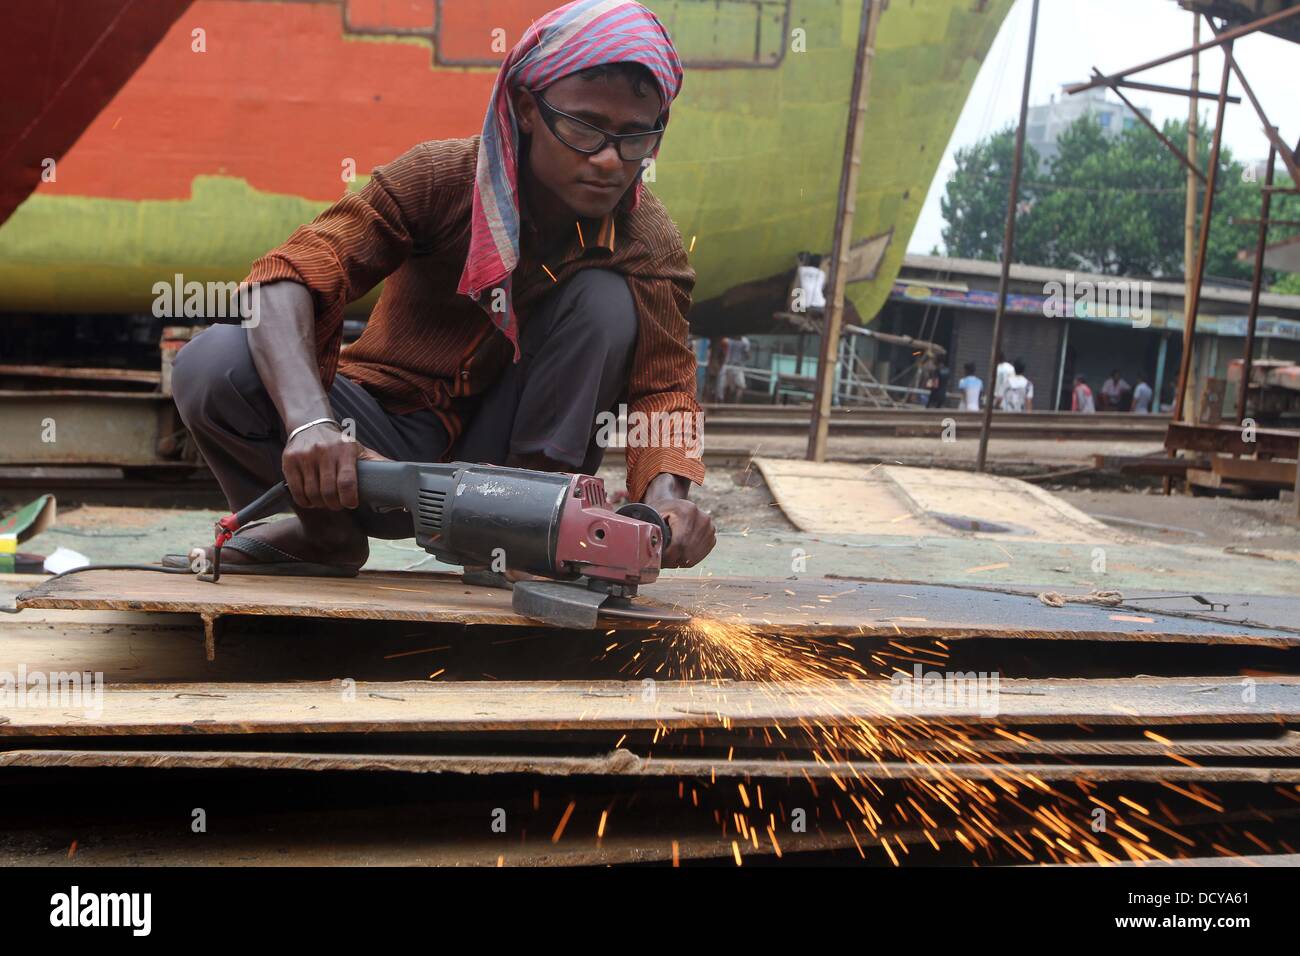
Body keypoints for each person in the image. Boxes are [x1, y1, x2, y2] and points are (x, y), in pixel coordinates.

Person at [167, 0, 715, 575]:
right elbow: (286, 277)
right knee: (215, 361)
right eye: (584, 128)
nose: (609, 160)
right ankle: (323, 534)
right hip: (370, 449)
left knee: (606, 302)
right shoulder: (438, 179)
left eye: (635, 138)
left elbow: (666, 390)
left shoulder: (648, 239)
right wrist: (312, 423)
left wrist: (667, 500)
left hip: (505, 478)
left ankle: (528, 538)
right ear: (527, 108)